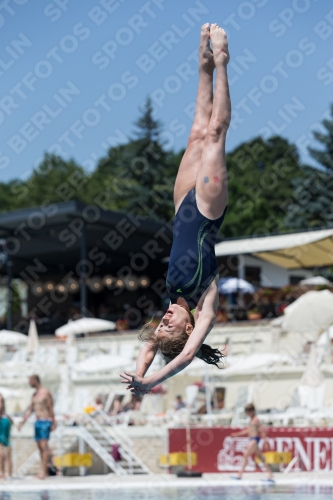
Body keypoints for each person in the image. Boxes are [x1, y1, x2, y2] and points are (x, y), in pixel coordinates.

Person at [120, 23, 230, 395]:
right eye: (169, 324)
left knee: (197, 133)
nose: (163, 319)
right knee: (215, 134)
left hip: (182, 204)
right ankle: (223, 61)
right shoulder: (205, 307)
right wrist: (150, 383)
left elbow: (150, 343)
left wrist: (138, 373)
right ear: (187, 329)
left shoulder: (172, 301)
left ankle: (203, 64)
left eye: (161, 322)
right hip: (207, 212)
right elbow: (182, 358)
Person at [18, 375, 56, 480]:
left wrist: (53, 422)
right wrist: (22, 422)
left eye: (30, 381)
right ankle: (43, 470)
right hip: (37, 422)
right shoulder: (34, 395)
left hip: (45, 421)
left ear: (35, 381)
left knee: (44, 446)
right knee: (40, 447)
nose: (29, 383)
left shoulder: (45, 392)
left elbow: (51, 407)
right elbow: (30, 409)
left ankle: (45, 471)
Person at [230, 403, 273, 481]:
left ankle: (240, 474)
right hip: (252, 439)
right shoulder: (252, 420)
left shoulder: (256, 420)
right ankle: (270, 474)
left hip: (254, 439)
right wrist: (237, 434)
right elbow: (248, 431)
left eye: (248, 412)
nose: (247, 414)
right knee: (261, 458)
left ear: (252, 411)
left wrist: (265, 442)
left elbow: (262, 430)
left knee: (246, 455)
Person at [0, 394, 13, 479]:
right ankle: (1, 472)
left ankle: (10, 474)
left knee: (8, 457)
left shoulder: (6, 417)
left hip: (6, 439)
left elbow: (11, 424)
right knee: (1, 455)